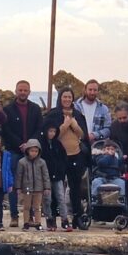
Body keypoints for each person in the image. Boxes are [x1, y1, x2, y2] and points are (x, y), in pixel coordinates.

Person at [43, 88, 90, 230]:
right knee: (56, 188)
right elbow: (51, 135)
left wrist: (74, 125)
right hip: (58, 157)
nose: (67, 100)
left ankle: (77, 217)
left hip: (75, 154)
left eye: (70, 97)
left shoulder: (77, 114)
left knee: (75, 188)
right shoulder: (53, 114)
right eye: (65, 97)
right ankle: (53, 219)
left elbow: (83, 135)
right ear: (60, 98)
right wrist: (64, 125)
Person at [1, 80, 41, 227]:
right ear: (16, 91)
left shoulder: (35, 109)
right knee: (13, 184)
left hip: (32, 152)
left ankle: (29, 216)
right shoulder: (8, 109)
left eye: (25, 90)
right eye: (20, 90)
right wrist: (20, 144)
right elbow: (6, 130)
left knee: (31, 184)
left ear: (29, 92)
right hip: (14, 151)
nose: (23, 92)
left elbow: (39, 128)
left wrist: (30, 144)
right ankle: (13, 216)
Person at [15, 138, 49, 231]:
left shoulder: (42, 162)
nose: (34, 153)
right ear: (27, 150)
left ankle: (38, 223)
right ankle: (26, 223)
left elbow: (45, 176)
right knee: (26, 207)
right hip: (27, 189)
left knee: (37, 207)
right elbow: (19, 176)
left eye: (36, 151)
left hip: (39, 189)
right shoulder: (22, 162)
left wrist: (47, 187)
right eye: (32, 151)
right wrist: (18, 187)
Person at [89, 139, 125, 206]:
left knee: (122, 183)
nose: (110, 151)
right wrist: (108, 156)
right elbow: (101, 163)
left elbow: (120, 168)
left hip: (113, 178)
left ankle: (121, 199)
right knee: (95, 182)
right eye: (108, 149)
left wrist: (122, 160)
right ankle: (94, 198)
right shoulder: (100, 157)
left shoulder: (116, 158)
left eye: (112, 149)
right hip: (101, 177)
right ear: (103, 150)